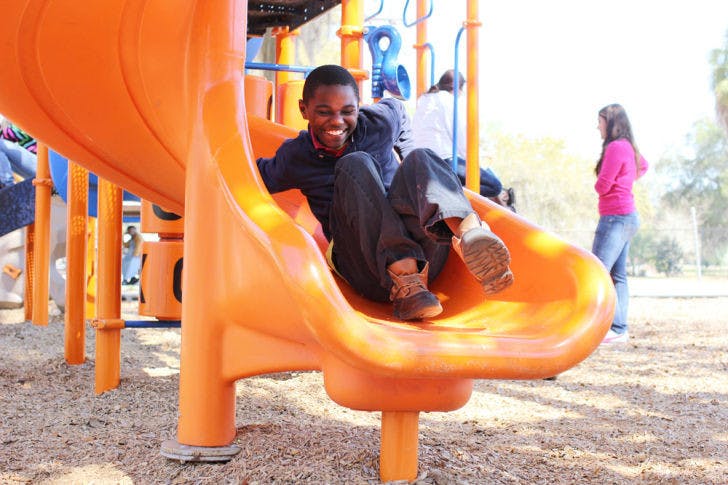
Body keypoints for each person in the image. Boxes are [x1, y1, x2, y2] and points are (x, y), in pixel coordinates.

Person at [256, 65, 514, 321]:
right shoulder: (296, 156)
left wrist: (408, 157)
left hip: (426, 261)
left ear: (359, 105)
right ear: (304, 109)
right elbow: (252, 176)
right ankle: (405, 282)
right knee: (355, 163)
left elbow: (399, 113)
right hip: (366, 268)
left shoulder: (378, 122)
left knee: (421, 157)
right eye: (325, 112)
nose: (337, 121)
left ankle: (471, 236)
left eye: (347, 111)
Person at [412, 70, 515, 211]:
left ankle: (453, 191)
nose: (461, 95)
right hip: (442, 160)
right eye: (461, 91)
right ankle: (450, 194)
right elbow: (461, 137)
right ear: (456, 88)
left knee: (484, 173)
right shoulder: (447, 101)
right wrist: (477, 160)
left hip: (421, 158)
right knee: (494, 185)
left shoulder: (424, 101)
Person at [593, 104, 648, 344]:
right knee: (618, 275)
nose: (597, 126)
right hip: (627, 216)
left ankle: (593, 328)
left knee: (595, 271)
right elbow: (643, 166)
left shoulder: (616, 147)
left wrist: (607, 185)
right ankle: (618, 328)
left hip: (615, 217)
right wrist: (626, 180)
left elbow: (603, 184)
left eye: (600, 121)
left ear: (611, 122)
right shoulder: (628, 146)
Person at [0, 115, 38, 189]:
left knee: (1, 144)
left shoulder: (28, 118)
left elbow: (12, 133)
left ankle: (7, 187)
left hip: (47, 169)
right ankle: (5, 185)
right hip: (35, 170)